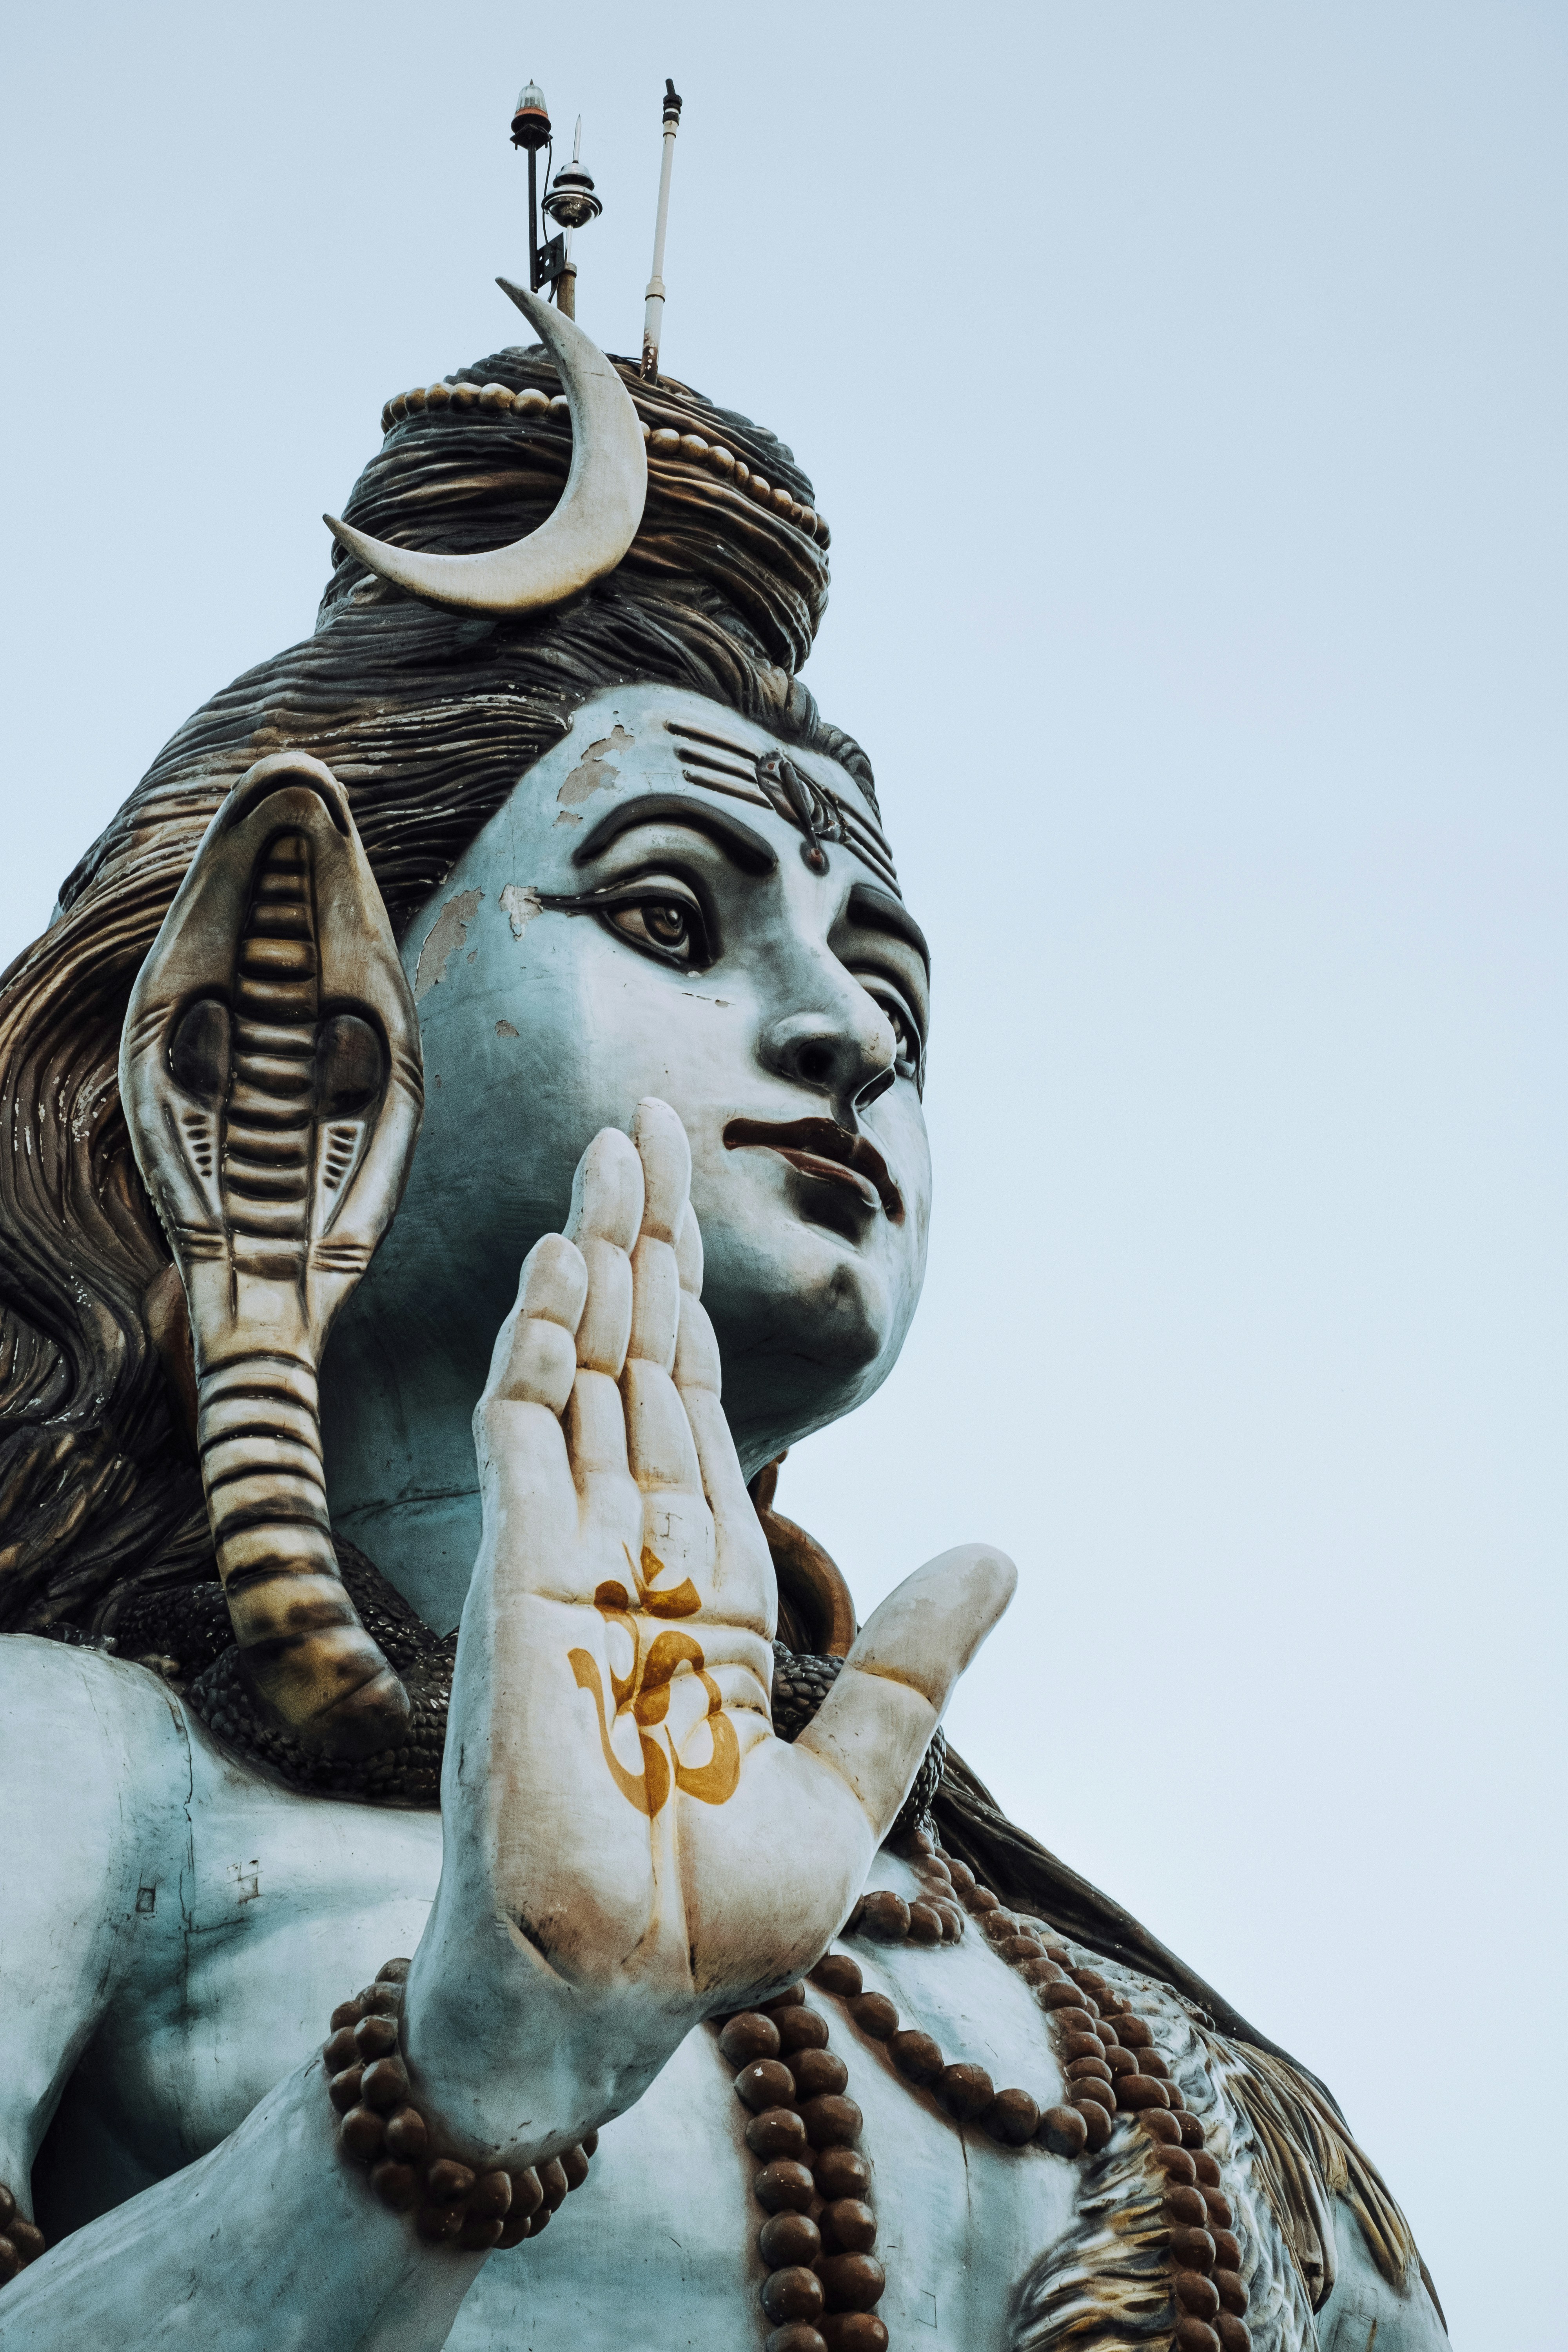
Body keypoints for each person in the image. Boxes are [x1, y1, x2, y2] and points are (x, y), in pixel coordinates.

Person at [0, 290, 1446, 2350]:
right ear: (284, 1058)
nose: (850, 1031)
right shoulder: (83, 1778)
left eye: (904, 999)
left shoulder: (1152, 2052)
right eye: (673, 912)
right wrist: (455, 2098)